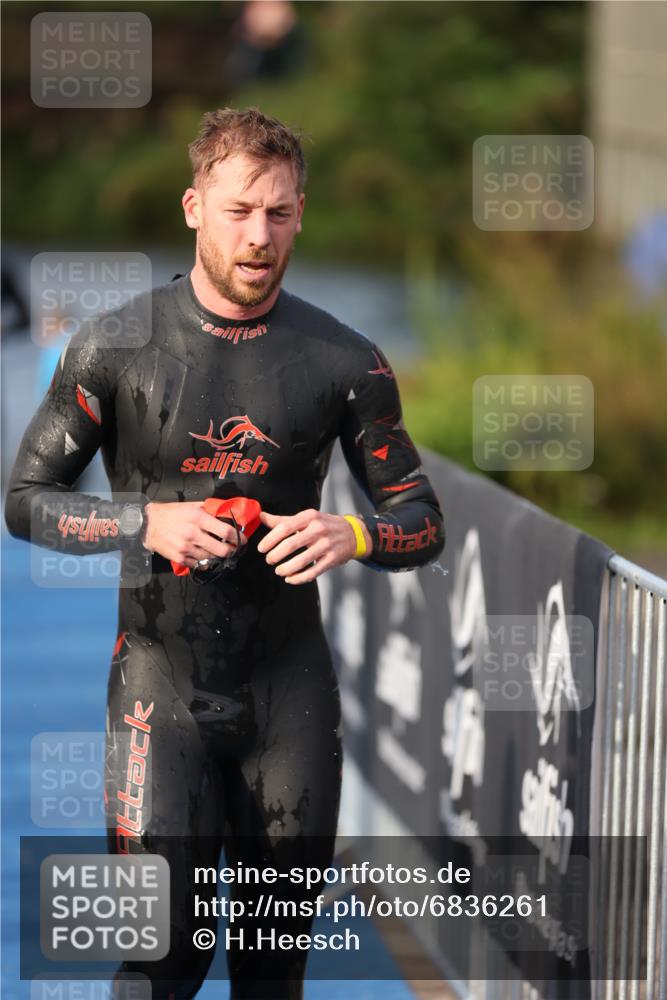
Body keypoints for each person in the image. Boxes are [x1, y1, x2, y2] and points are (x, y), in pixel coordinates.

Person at [5, 107, 445, 999]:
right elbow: (25, 502)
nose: (259, 236)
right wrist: (144, 523)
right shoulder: (113, 346)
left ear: (301, 213)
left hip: (288, 695)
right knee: (161, 957)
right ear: (193, 207)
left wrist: (350, 532)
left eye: (279, 214)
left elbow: (420, 518)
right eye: (240, 210)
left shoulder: (346, 361)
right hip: (157, 692)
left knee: (272, 970)